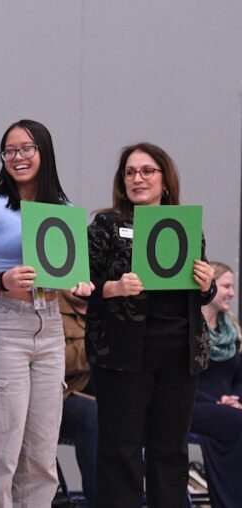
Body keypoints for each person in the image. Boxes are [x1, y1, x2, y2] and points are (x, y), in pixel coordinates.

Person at [0, 119, 93, 507]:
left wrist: (78, 285)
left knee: (40, 455)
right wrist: (2, 280)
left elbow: (68, 272)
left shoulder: (61, 208)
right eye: (10, 150)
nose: (18, 157)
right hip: (3, 326)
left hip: (48, 324)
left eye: (26, 149)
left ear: (44, 152)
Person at [86, 142, 215, 508]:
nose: (137, 178)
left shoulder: (187, 227)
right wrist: (114, 287)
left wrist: (208, 284)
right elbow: (79, 283)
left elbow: (201, 293)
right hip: (124, 355)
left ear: (165, 180)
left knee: (171, 453)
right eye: (129, 172)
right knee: (121, 454)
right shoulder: (107, 226)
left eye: (146, 171)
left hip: (180, 355)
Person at [191, 261, 242, 508]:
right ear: (210, 286)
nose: (232, 293)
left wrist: (235, 398)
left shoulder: (231, 330)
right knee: (234, 422)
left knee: (233, 418)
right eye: (226, 286)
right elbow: (185, 378)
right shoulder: (190, 329)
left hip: (227, 406)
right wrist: (219, 403)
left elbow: (239, 377)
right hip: (194, 403)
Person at [57, 289, 98, 506]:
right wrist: (99, 345)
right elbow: (56, 362)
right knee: (94, 415)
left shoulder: (109, 305)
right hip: (62, 397)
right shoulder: (50, 305)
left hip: (111, 395)